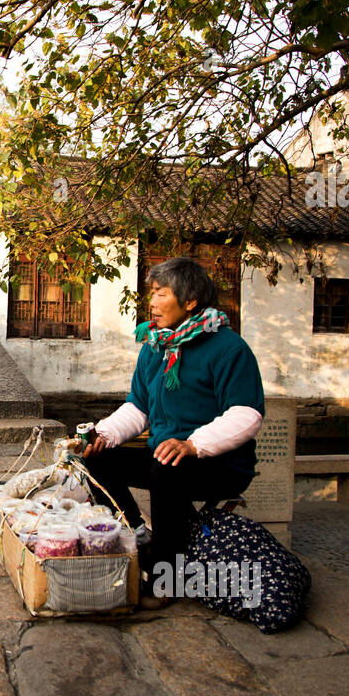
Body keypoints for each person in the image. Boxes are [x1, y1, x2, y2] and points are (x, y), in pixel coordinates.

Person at [80, 256, 265, 609]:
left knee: (166, 468)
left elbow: (247, 414)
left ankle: (168, 578)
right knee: (98, 461)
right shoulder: (156, 347)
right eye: (152, 293)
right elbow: (139, 407)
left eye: (160, 294)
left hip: (219, 463)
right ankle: (138, 537)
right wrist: (102, 436)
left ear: (190, 301)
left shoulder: (229, 349)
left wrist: (194, 445)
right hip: (166, 453)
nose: (151, 302)